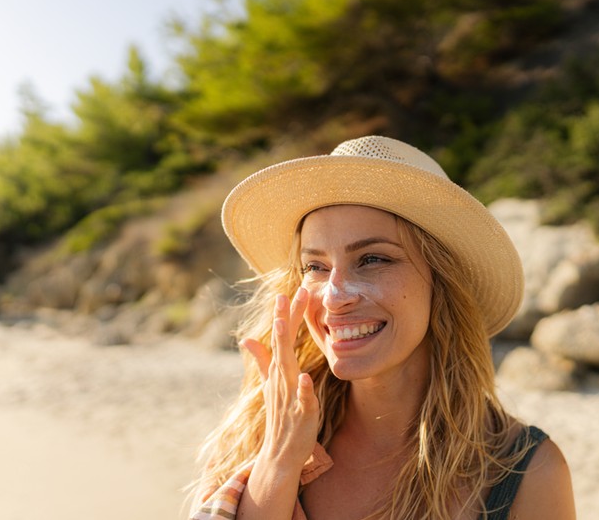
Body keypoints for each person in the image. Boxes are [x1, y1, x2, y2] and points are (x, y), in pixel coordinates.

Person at [189, 136, 575, 519]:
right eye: (315, 266)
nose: (334, 297)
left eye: (372, 259)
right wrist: (277, 463)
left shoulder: (525, 473)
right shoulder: (253, 436)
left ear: (442, 281)